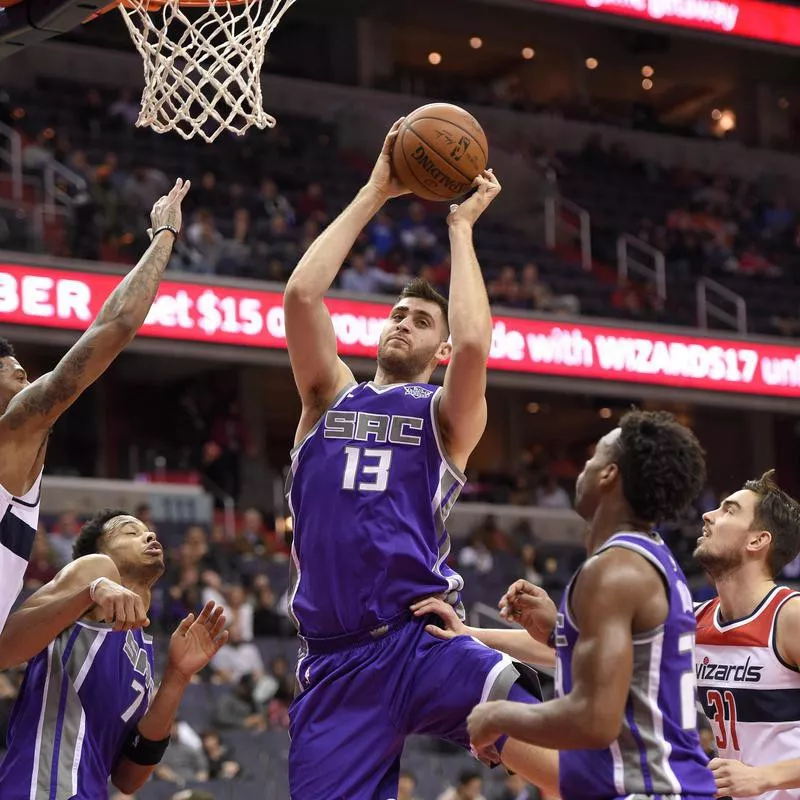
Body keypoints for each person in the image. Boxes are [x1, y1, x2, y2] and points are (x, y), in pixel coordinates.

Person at [282, 119, 557, 799]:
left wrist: (461, 232)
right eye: (396, 312)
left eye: (419, 319)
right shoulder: (326, 399)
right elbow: (300, 296)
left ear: (436, 350)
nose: (400, 320)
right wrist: (378, 188)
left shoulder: (444, 416)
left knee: (576, 762)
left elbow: (473, 347)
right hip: (336, 659)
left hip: (420, 640)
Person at [465, 410, 717, 799]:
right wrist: (559, 633)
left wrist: (497, 715)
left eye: (592, 460)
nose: (581, 472)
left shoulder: (613, 571)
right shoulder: (645, 558)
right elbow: (631, 676)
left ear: (608, 475)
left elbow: (595, 720)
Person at [0, 178, 190, 633]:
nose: (26, 374)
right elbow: (116, 325)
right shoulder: (13, 431)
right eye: (12, 370)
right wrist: (164, 236)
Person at [0, 509, 228, 797]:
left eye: (148, 530)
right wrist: (91, 591)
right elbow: (4, 648)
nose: (149, 534)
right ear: (99, 550)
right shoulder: (97, 568)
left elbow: (128, 778)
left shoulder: (142, 646)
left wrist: (177, 676)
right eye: (129, 532)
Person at [694, 470, 800, 799]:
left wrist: (765, 777)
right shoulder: (694, 619)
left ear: (757, 540)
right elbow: (595, 649)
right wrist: (551, 628)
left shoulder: (789, 617)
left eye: (729, 510)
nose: (708, 514)